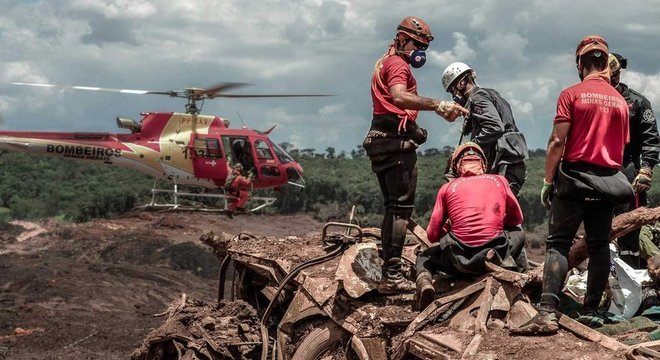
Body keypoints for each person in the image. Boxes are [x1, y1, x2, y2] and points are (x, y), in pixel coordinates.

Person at [512, 35, 631, 335]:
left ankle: (547, 312)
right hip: (608, 182)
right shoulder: (620, 101)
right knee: (600, 244)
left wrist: (547, 181)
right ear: (605, 64)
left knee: (558, 244)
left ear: (580, 64)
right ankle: (592, 310)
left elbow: (556, 141)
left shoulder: (571, 94)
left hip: (575, 178)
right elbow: (621, 147)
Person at [362, 16, 469, 291]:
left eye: (423, 47)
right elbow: (399, 97)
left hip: (381, 138)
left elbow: (391, 108)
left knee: (392, 207)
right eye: (417, 44)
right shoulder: (397, 64)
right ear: (401, 39)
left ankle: (388, 265)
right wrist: (439, 104)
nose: (420, 52)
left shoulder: (384, 62)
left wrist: (414, 127)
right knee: (401, 209)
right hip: (395, 147)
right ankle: (393, 275)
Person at [415, 142, 527, 310]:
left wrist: (449, 227)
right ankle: (520, 278)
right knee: (518, 232)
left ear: (456, 167)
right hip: (495, 254)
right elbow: (516, 218)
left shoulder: (447, 188)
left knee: (424, 257)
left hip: (460, 262)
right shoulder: (500, 181)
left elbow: (432, 235)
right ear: (483, 164)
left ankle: (425, 283)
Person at [440, 62, 529, 195]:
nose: (454, 96)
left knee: (497, 210)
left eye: (453, 90)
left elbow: (495, 127)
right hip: (511, 164)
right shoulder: (490, 94)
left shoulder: (478, 99)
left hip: (504, 165)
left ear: (461, 84)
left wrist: (470, 147)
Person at [608, 53, 660, 269]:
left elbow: (651, 139)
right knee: (600, 227)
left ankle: (633, 278)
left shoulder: (637, 102)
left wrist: (646, 170)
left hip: (628, 168)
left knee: (629, 227)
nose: (612, 79)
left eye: (615, 74)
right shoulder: (589, 98)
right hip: (596, 170)